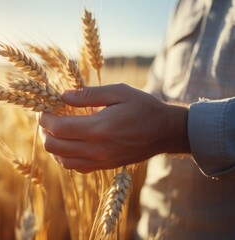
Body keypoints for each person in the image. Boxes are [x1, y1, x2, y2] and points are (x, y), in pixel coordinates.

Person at [38, 0, 235, 239]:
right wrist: (102, 117)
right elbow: (157, 91)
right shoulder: (185, 5)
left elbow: (159, 119)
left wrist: (172, 129)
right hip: (150, 228)